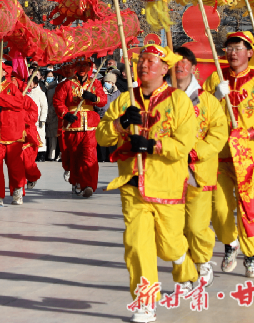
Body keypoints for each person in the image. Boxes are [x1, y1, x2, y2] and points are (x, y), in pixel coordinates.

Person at [97, 45, 198, 323]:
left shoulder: (179, 101)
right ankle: (145, 300)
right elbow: (102, 138)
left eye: (151, 61)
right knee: (137, 245)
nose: (144, 66)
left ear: (165, 69)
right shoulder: (124, 100)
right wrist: (119, 125)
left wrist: (153, 145)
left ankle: (185, 267)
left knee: (169, 246)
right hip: (133, 183)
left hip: (167, 184)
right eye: (141, 60)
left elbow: (184, 143)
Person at [204, 31, 254, 279]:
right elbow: (197, 112)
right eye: (229, 47)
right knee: (219, 208)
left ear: (250, 52)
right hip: (219, 153)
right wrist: (214, 97)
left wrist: (250, 132)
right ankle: (229, 244)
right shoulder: (216, 76)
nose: (233, 52)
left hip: (248, 155)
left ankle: (251, 256)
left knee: (248, 206)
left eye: (238, 47)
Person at [174, 47, 228, 287]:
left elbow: (218, 133)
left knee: (196, 226)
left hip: (198, 172)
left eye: (185, 62)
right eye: (175, 61)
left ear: (194, 68)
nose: (180, 66)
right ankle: (184, 273)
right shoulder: (160, 98)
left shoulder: (207, 100)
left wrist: (196, 151)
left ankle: (203, 260)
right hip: (168, 172)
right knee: (174, 228)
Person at [52, 59, 106, 197]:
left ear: (90, 67)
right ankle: (76, 181)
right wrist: (65, 114)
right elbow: (58, 101)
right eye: (79, 65)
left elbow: (103, 100)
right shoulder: (67, 84)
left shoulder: (95, 83)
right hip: (73, 125)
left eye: (85, 65)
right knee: (75, 156)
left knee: (89, 156)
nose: (82, 68)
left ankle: (88, 184)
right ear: (75, 67)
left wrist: (94, 98)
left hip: (90, 126)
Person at [0, 60, 27, 206]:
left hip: (12, 132)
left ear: (4, 73)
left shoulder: (11, 87)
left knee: (15, 165)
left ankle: (17, 189)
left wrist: (1, 100)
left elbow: (19, 103)